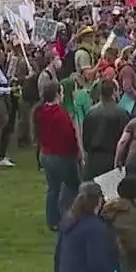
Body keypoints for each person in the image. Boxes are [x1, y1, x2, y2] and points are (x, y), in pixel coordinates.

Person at [34, 81, 81, 231]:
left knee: (53, 188)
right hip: (61, 155)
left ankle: (53, 220)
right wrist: (77, 152)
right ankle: (70, 216)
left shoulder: (40, 112)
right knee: (71, 186)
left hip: (46, 153)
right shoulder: (60, 114)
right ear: (57, 94)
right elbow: (69, 135)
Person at [80, 79, 130, 180]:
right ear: (114, 92)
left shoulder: (91, 113)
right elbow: (125, 141)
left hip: (93, 160)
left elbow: (85, 140)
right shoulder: (122, 113)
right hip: (113, 159)